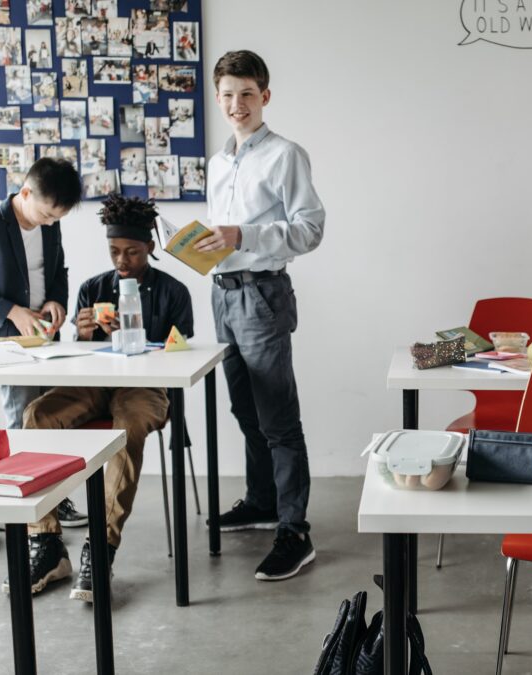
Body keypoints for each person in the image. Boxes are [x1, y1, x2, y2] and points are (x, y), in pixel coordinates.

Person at [17, 195, 194, 600]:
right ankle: (45, 542)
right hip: (94, 382)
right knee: (37, 415)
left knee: (126, 429)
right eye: (114, 251)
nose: (122, 260)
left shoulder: (173, 292)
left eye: (131, 251)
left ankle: (101, 546)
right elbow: (75, 358)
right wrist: (81, 335)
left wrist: (154, 342)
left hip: (145, 388)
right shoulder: (93, 288)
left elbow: (181, 351)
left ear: (149, 247)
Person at [195, 50, 325, 581]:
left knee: (277, 418)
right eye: (226, 94)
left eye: (246, 94)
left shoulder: (286, 155)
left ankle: (295, 530)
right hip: (221, 293)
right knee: (244, 410)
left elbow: (310, 228)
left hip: (262, 295)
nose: (235, 104)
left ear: (264, 97)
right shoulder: (218, 162)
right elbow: (220, 238)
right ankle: (263, 499)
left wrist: (242, 235)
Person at [0, 158, 88, 529]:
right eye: (45, 215)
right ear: (25, 192)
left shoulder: (49, 224)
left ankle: (54, 501)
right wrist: (14, 312)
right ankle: (25, 507)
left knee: (51, 418)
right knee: (23, 420)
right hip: (9, 343)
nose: (49, 223)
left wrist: (57, 300)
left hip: (47, 339)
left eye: (55, 219)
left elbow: (57, 270)